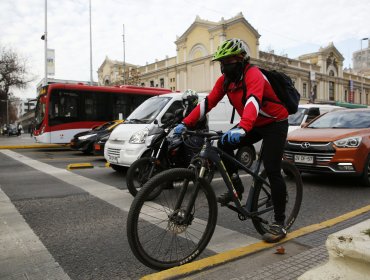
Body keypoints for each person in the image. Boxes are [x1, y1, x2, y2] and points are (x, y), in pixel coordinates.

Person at [174, 38, 289, 243]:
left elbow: (254, 100)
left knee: (272, 169)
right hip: (253, 122)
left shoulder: (254, 74)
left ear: (241, 60)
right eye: (222, 62)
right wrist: (186, 123)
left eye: (228, 61)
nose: (224, 66)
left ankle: (279, 222)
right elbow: (208, 102)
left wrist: (243, 127)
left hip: (274, 123)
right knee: (222, 145)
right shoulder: (226, 80)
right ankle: (237, 187)